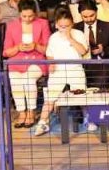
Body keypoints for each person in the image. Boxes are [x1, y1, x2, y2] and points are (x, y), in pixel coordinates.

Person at [31, 9, 90, 137]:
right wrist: (51, 63)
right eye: (61, 26)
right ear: (56, 25)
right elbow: (50, 55)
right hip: (58, 71)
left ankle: (88, 118)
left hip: (75, 69)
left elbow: (83, 51)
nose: (64, 29)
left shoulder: (78, 34)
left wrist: (70, 38)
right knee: (50, 98)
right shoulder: (53, 37)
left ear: (72, 24)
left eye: (67, 26)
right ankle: (43, 122)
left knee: (82, 96)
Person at [3, 0, 51, 128]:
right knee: (14, 79)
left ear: (35, 13)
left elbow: (48, 48)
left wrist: (35, 46)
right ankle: (21, 112)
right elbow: (6, 52)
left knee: (28, 78)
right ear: (19, 13)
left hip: (37, 61)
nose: (28, 18)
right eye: (24, 16)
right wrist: (18, 48)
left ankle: (31, 111)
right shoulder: (11, 26)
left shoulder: (43, 23)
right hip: (16, 61)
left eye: (31, 16)